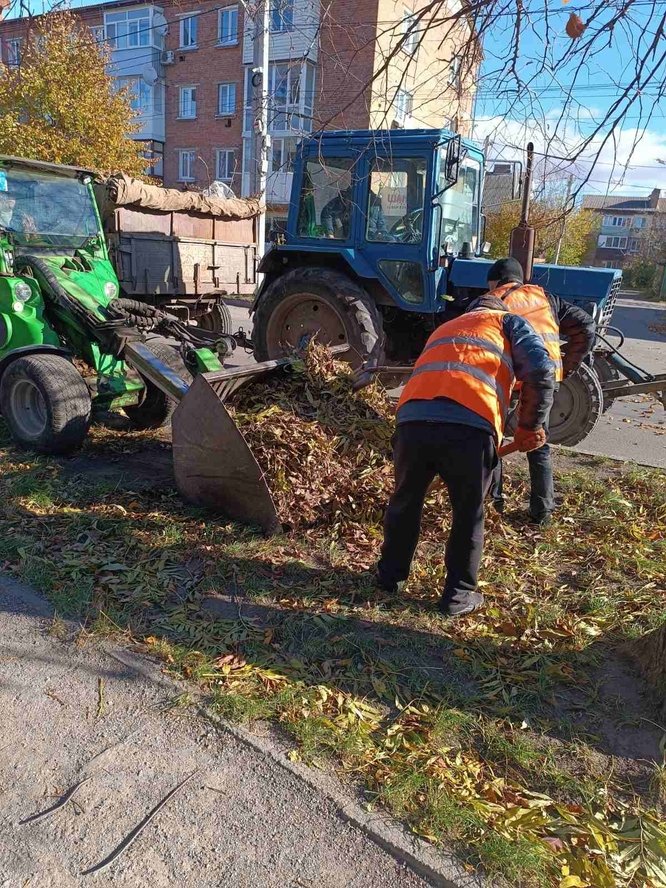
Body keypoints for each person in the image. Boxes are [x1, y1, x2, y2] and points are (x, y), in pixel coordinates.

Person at [373, 292, 555, 617]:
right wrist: (529, 427)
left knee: (405, 501)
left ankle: (388, 578)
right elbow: (541, 370)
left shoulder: (447, 327)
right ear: (498, 310)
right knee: (469, 513)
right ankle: (458, 596)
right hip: (470, 427)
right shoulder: (508, 322)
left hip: (412, 421)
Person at [486, 257, 596, 524]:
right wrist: (564, 367)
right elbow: (586, 327)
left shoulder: (495, 300)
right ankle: (542, 513)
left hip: (510, 382)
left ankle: (492, 505)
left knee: (493, 442)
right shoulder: (545, 297)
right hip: (543, 384)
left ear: (495, 281)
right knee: (538, 442)